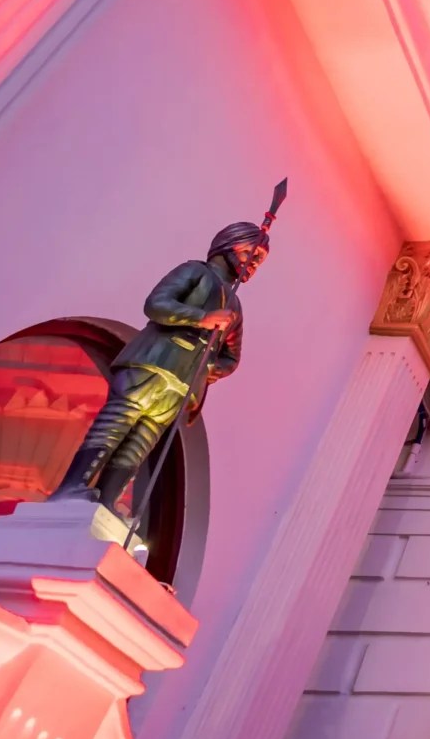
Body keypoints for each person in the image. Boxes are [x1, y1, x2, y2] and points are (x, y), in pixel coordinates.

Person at [54, 180, 285, 517]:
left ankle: (107, 500)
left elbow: (231, 357)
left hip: (182, 385)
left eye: (259, 262)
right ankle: (73, 487)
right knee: (115, 423)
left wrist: (206, 367)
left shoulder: (235, 306)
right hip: (151, 365)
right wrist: (202, 318)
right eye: (252, 255)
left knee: (140, 443)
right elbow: (157, 304)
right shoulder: (196, 272)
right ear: (229, 246)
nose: (253, 264)